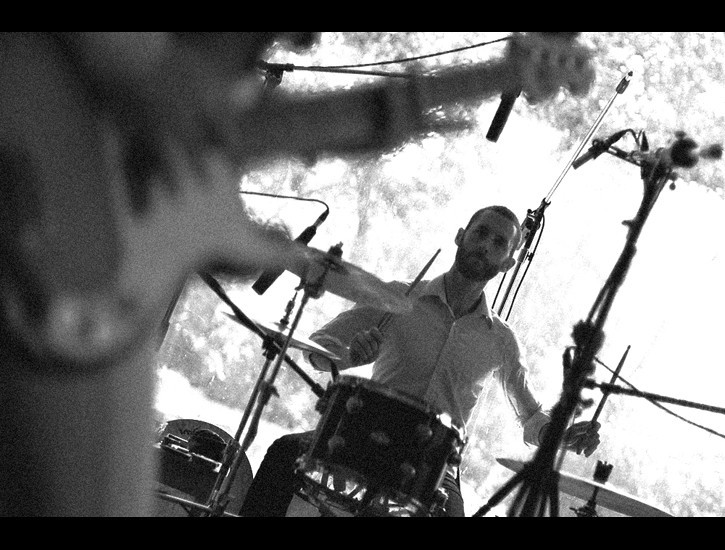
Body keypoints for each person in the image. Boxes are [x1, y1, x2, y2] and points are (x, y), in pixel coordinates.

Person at [238, 205, 601, 517]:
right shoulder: (398, 296)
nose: (486, 245)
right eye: (480, 233)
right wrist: (349, 358)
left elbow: (530, 416)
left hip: (434, 464)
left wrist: (560, 435)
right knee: (283, 454)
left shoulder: (501, 340)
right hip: (364, 435)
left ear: (508, 262)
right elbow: (315, 348)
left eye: (499, 243)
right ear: (461, 236)